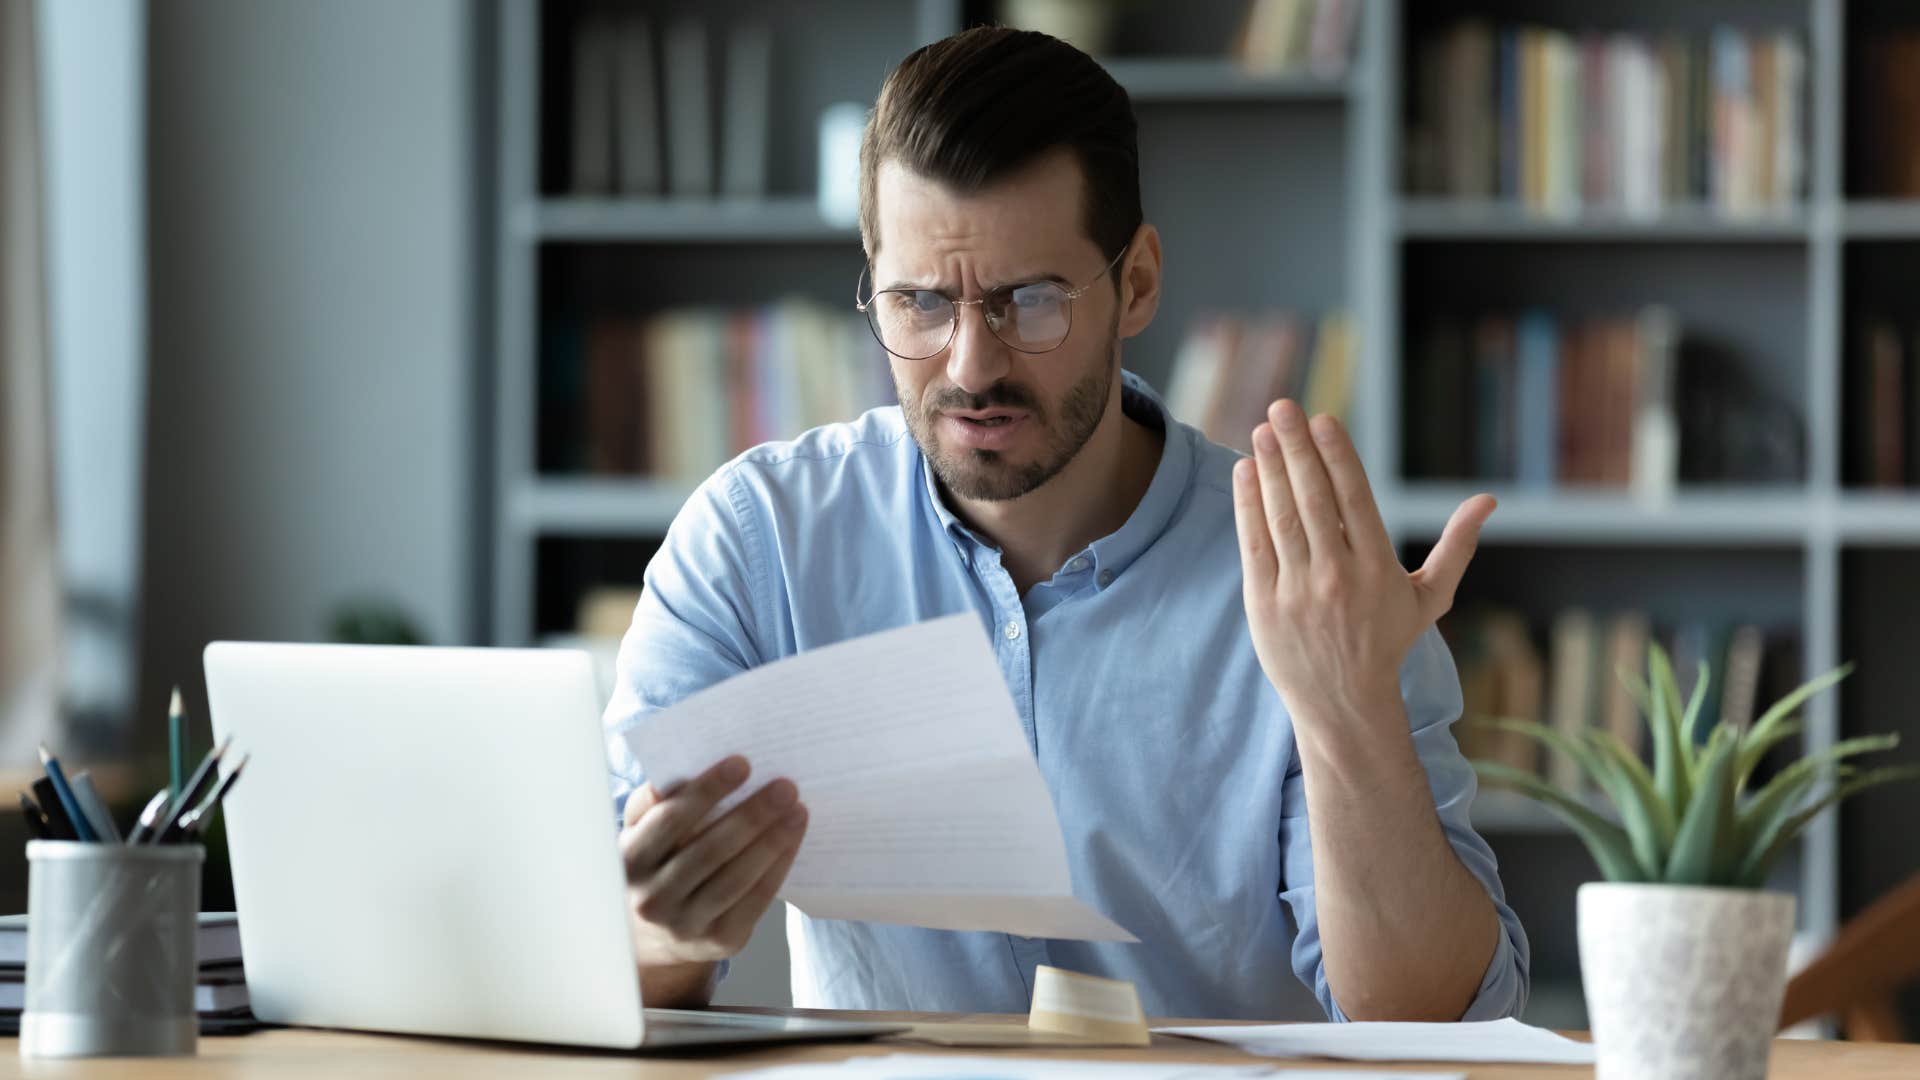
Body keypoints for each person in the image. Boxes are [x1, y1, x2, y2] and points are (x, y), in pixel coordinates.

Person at [604, 25, 1529, 1022]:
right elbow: (594, 955)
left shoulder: (1315, 586)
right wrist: (660, 934)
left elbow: (1435, 1032)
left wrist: (1347, 716)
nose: (969, 366)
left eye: (1027, 301)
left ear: (1135, 284)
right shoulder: (761, 544)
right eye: (918, 303)